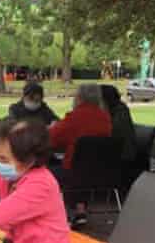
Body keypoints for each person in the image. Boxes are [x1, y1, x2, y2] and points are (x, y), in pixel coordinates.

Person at [48, 83, 112, 226]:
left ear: (80, 97)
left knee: (44, 171)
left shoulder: (75, 117)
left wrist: (52, 128)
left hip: (72, 171)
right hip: (101, 171)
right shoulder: (105, 118)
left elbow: (53, 138)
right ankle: (80, 210)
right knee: (82, 168)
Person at [100, 84, 138, 162]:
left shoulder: (120, 113)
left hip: (121, 159)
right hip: (117, 155)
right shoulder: (118, 110)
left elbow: (113, 135)